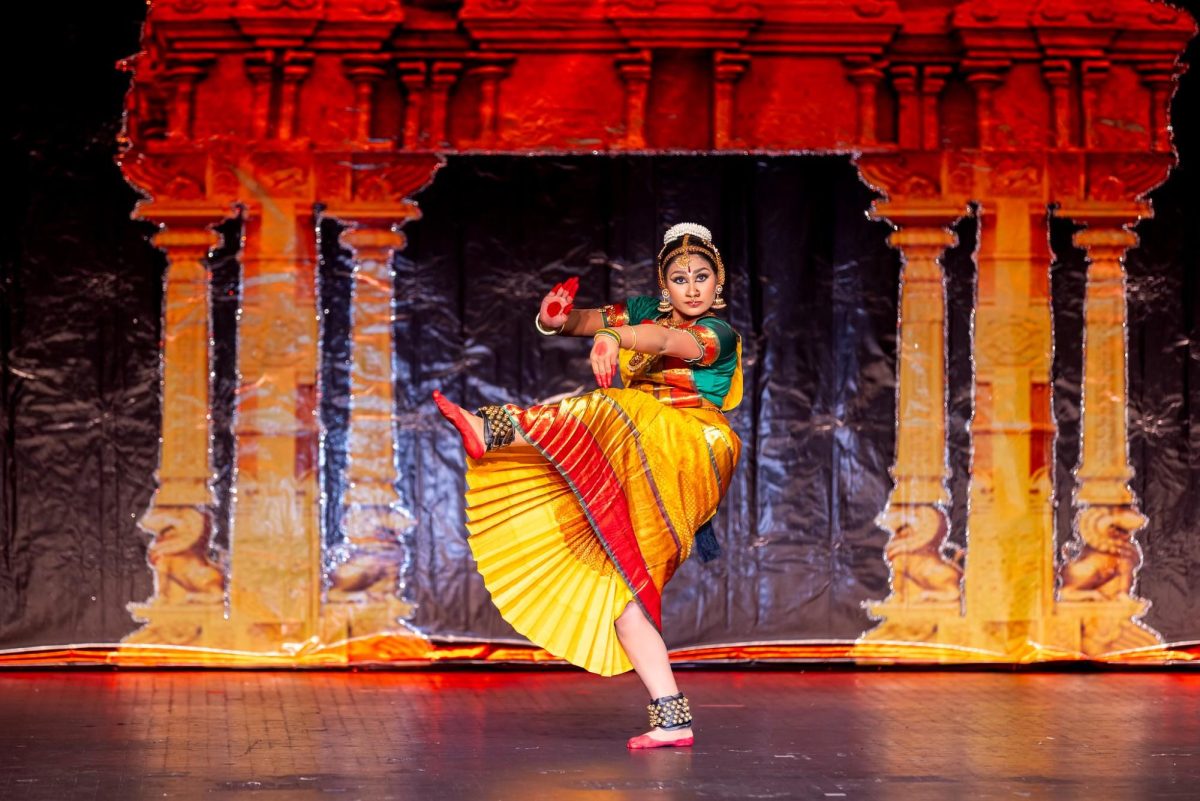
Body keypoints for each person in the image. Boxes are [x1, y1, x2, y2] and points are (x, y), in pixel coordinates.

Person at [433, 222, 742, 749]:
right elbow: (590, 321)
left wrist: (611, 338)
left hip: (691, 447)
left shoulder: (718, 334)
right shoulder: (646, 309)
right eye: (679, 279)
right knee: (626, 597)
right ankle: (673, 718)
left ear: (719, 284)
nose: (692, 288)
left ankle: (496, 429)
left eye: (702, 277)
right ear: (663, 288)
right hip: (640, 451)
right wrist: (555, 320)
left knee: (613, 406)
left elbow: (663, 341)